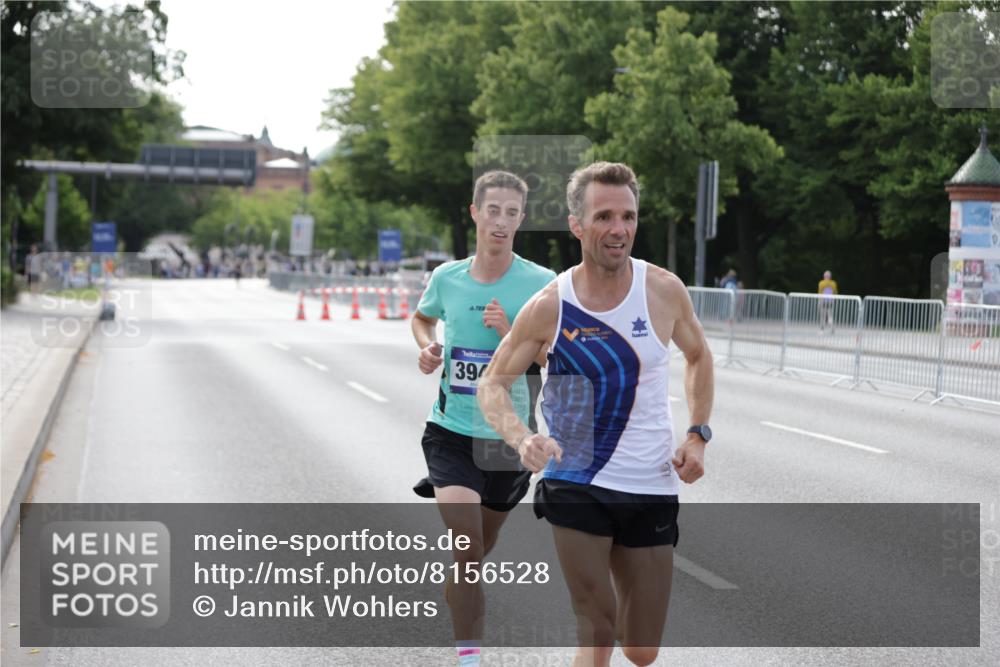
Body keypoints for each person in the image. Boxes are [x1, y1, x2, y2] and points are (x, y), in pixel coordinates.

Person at [478, 162, 714, 667]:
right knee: (598, 627)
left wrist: (697, 435)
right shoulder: (549, 306)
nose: (618, 229)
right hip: (576, 480)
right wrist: (522, 439)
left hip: (651, 483)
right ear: (577, 225)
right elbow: (493, 383)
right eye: (604, 216)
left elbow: (698, 356)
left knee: (643, 649)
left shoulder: (664, 290)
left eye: (627, 216)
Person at [410, 170, 556, 666]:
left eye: (512, 213)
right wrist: (427, 348)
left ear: (521, 219)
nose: (501, 222)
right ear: (474, 213)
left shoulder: (541, 284)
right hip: (450, 432)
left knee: (477, 551)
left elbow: (552, 358)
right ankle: (469, 657)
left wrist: (513, 331)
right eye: (492, 210)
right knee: (468, 548)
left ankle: (461, 592)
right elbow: (421, 317)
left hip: (506, 440)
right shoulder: (447, 277)